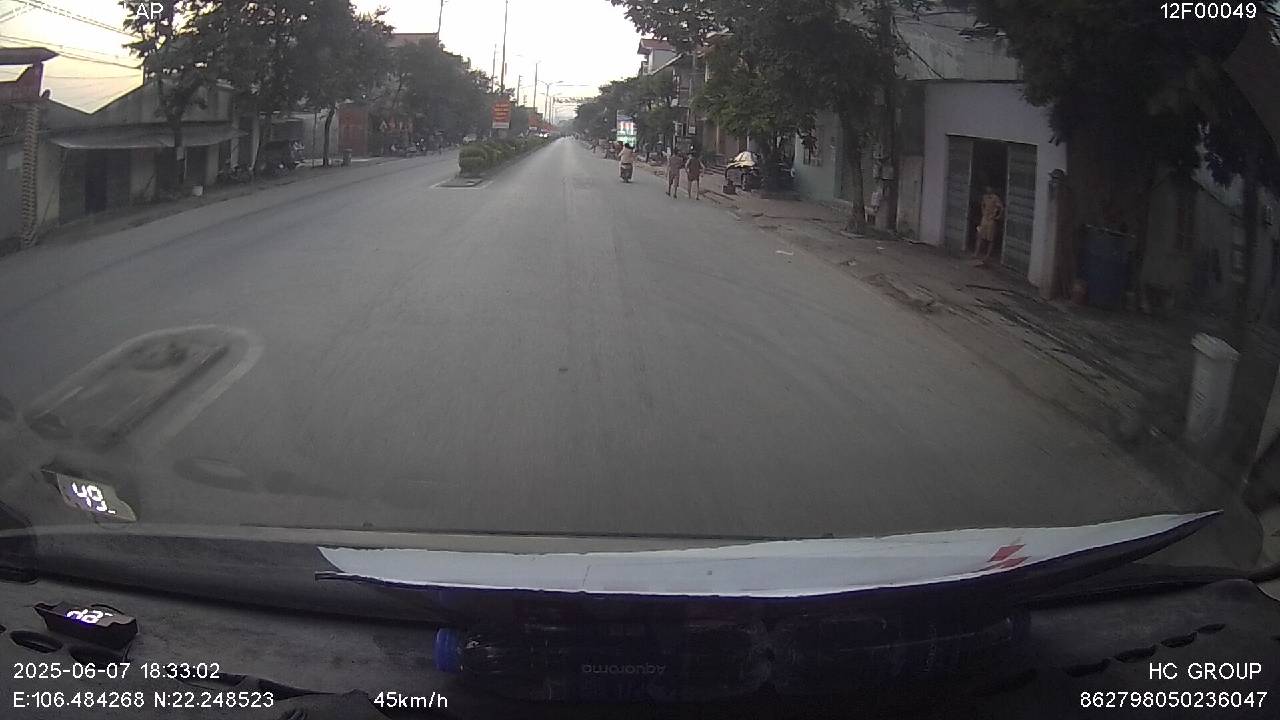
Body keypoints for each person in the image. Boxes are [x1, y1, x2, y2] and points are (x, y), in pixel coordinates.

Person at [974, 186, 1005, 262]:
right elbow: (982, 204)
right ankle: (976, 253)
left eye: (989, 188)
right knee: (980, 235)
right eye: (987, 188)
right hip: (984, 219)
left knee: (990, 238)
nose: (988, 190)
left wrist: (998, 216)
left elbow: (1001, 208)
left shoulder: (995, 198)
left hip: (991, 220)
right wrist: (983, 211)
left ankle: (987, 255)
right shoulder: (984, 197)